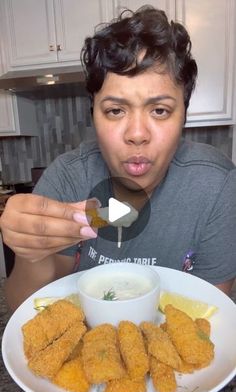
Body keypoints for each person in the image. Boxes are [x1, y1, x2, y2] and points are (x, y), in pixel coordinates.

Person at [1, 6, 236, 311]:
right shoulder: (68, 178)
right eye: (115, 110)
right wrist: (33, 254)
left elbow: (206, 316)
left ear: (184, 116)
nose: (137, 134)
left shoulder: (217, 186)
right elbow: (30, 307)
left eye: (160, 110)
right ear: (94, 115)